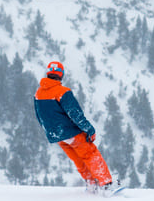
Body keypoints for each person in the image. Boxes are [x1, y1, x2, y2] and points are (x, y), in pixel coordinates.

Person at [33, 60, 113, 190]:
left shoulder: (38, 94)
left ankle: (91, 184)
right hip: (70, 132)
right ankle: (106, 184)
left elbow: (39, 116)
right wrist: (89, 129)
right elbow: (75, 114)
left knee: (78, 159)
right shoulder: (62, 92)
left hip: (58, 136)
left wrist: (51, 131)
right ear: (61, 75)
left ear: (48, 73)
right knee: (90, 154)